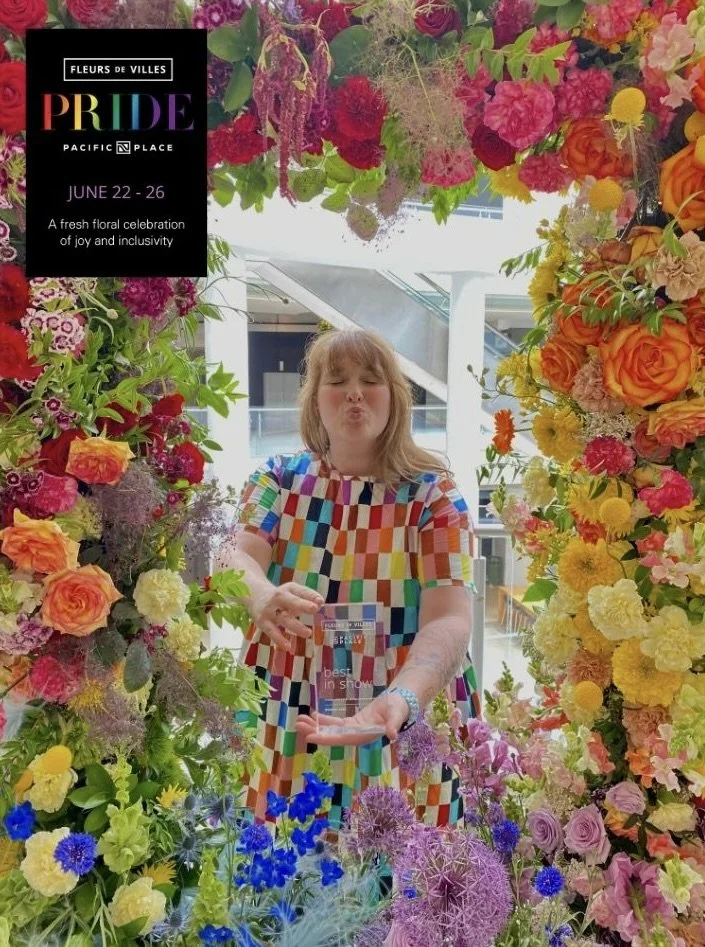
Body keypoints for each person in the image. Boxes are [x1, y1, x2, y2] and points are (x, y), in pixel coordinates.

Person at [214, 328, 478, 829]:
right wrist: (262, 595)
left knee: (403, 866)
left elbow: (449, 618)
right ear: (314, 399)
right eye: (337, 380)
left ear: (395, 397)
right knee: (288, 855)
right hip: (289, 702)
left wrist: (401, 701)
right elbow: (233, 554)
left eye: (371, 379)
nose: (355, 392)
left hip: (401, 697)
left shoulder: (433, 497)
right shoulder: (277, 480)